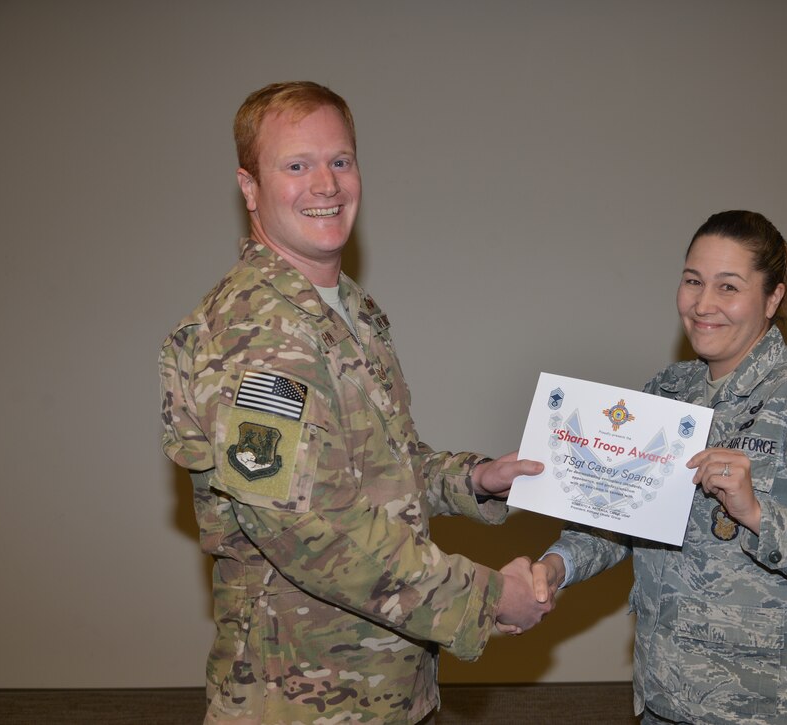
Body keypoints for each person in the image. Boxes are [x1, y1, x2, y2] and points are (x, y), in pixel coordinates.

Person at [159, 81, 550, 724]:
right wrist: (485, 597)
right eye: (296, 165)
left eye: (340, 161)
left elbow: (382, 473)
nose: (326, 185)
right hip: (300, 699)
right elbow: (309, 528)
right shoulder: (255, 331)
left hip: (387, 686)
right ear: (249, 187)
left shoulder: (349, 311)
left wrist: (475, 480)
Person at [532, 210, 787, 724]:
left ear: (773, 298)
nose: (703, 304)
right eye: (693, 282)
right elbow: (621, 514)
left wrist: (758, 513)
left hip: (776, 710)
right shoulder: (666, 392)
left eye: (728, 287)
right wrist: (556, 565)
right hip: (667, 701)